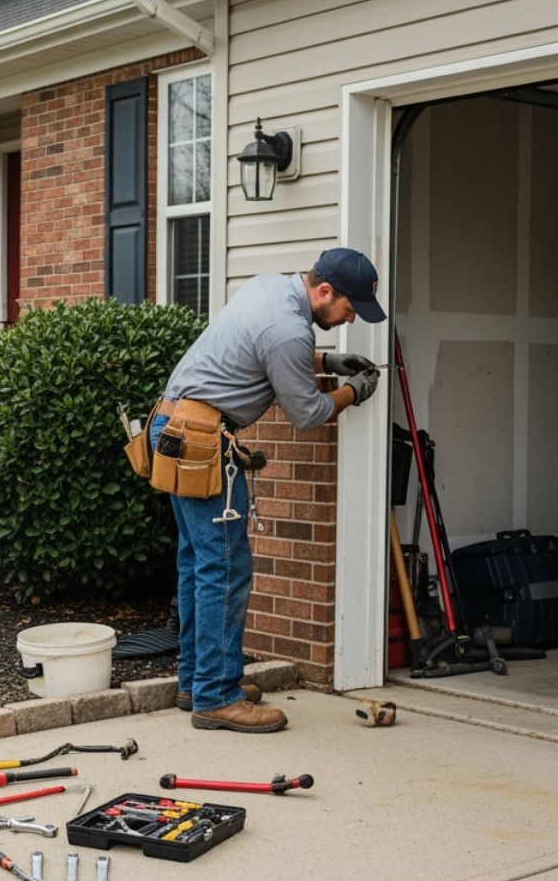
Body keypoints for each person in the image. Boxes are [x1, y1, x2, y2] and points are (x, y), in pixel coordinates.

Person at [151, 247, 386, 732]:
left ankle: (198, 682)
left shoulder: (269, 286)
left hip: (174, 426)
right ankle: (217, 697)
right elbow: (308, 414)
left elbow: (270, 353)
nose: (349, 318)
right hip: (200, 439)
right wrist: (353, 391)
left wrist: (326, 359)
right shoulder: (287, 329)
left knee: (198, 563)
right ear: (324, 291)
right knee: (225, 567)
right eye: (348, 308)